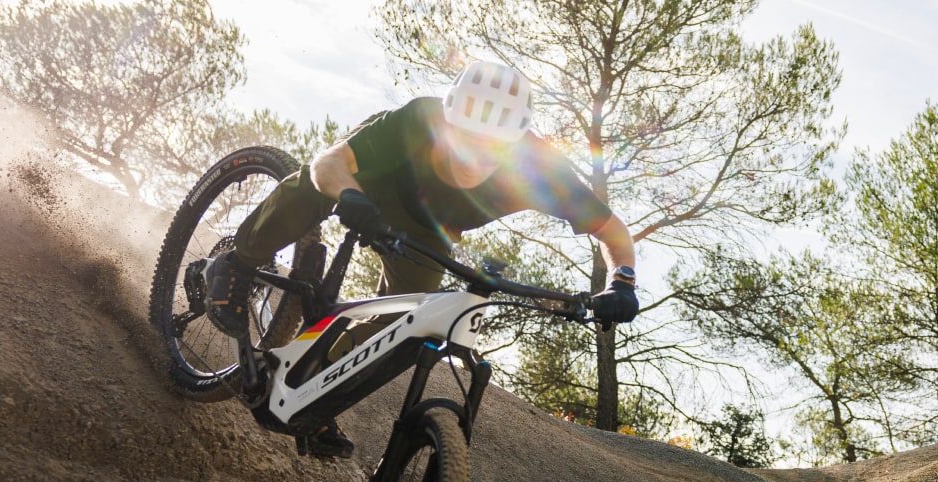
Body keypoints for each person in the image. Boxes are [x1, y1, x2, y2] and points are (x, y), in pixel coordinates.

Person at [203, 61, 640, 459]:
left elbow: (613, 232)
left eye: (491, 147)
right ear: (447, 120)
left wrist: (622, 280)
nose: (474, 154)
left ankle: (309, 385)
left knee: (408, 318)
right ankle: (235, 264)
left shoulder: (540, 169)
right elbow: (329, 162)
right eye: (464, 138)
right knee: (313, 187)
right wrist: (350, 195)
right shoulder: (417, 120)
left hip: (427, 227)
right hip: (370, 184)